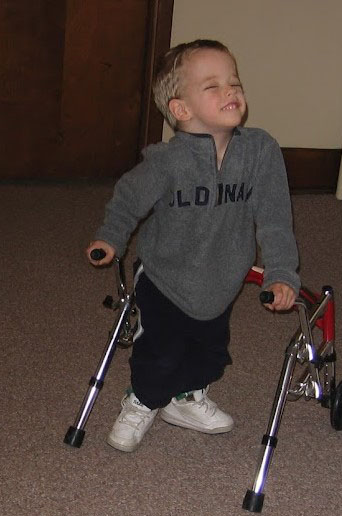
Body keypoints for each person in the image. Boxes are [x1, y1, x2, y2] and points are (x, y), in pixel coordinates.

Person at [87, 39, 300, 452]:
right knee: (160, 352)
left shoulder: (260, 152)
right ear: (181, 109)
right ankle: (143, 400)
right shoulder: (167, 162)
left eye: (234, 82)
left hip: (222, 279)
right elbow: (129, 199)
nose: (231, 91)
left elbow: (275, 218)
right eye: (213, 86)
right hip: (166, 275)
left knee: (211, 352)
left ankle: (185, 398)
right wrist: (110, 237)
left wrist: (281, 271)